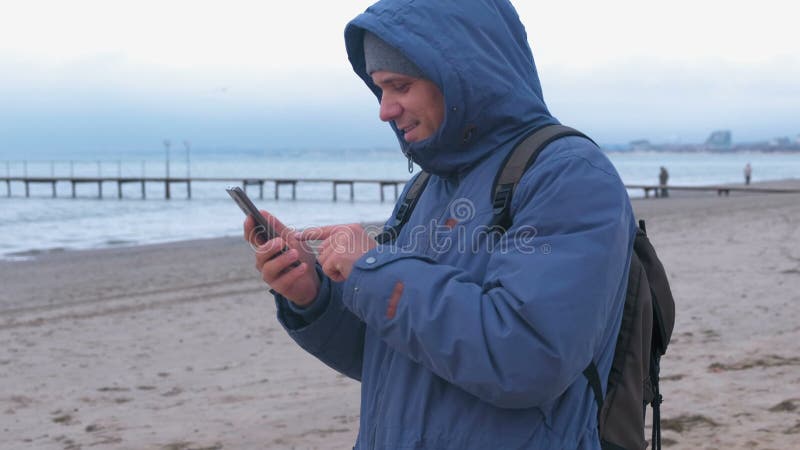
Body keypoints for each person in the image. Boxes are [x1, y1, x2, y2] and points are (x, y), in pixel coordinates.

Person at [244, 1, 636, 448]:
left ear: (462, 75)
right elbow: (392, 355)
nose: (385, 110)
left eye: (400, 86)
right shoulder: (426, 187)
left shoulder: (568, 175)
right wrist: (311, 294)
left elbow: (529, 358)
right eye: (380, 89)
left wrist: (370, 269)